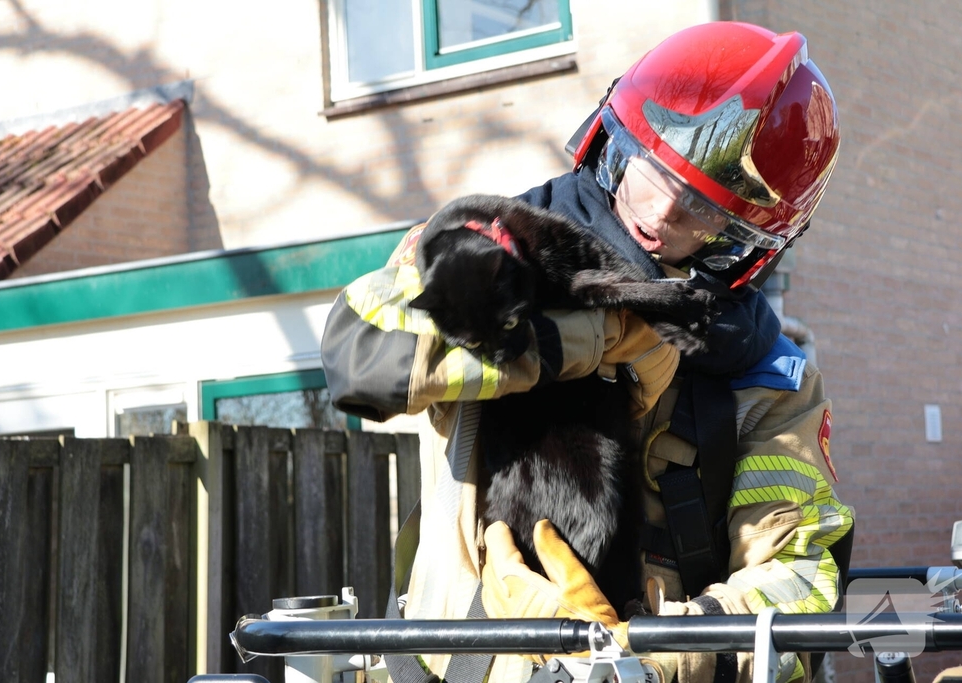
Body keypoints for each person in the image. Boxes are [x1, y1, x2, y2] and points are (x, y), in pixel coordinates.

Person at [322, 21, 855, 683]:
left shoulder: (768, 378)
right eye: (651, 171)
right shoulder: (490, 245)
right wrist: (582, 336)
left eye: (701, 209)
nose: (660, 214)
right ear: (611, 139)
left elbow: (804, 573)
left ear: (744, 247)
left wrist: (646, 655)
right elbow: (355, 354)